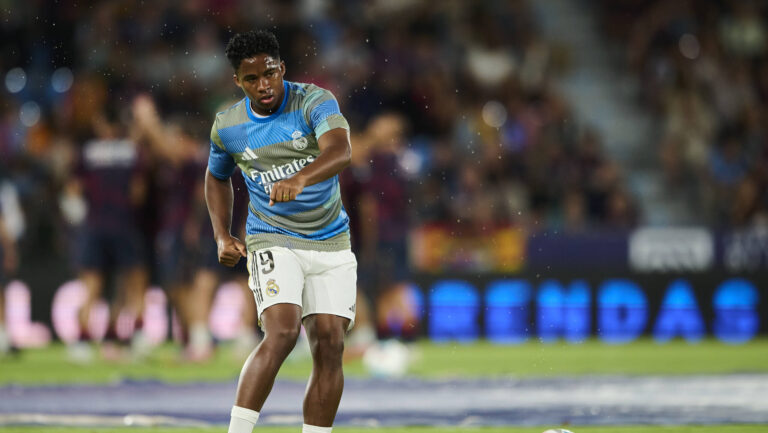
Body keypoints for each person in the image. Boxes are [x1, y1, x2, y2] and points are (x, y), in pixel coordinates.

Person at [205, 30, 356, 433]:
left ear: (282, 69)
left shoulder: (314, 101)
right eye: (251, 79)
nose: (263, 85)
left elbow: (340, 150)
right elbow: (216, 177)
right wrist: (222, 234)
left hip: (331, 238)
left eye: (269, 74)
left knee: (330, 344)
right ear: (237, 81)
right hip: (272, 235)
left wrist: (302, 177)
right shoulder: (229, 126)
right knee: (283, 332)